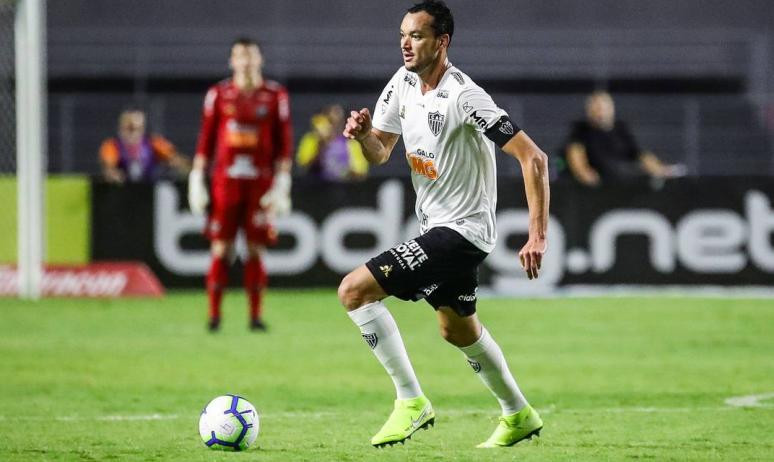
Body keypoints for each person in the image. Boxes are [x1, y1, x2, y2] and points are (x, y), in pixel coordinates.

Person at [339, 0, 550, 449]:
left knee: (355, 290)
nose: (405, 44)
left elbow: (534, 158)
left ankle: (410, 401)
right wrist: (362, 137)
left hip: (462, 232)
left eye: (416, 35)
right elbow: (381, 152)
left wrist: (537, 235)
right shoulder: (401, 84)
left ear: (442, 41)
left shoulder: (464, 96)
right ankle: (518, 413)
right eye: (403, 35)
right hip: (436, 228)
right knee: (456, 329)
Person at [187, 37, 293, 332]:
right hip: (226, 184)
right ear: (232, 61)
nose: (245, 62)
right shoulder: (219, 94)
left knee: (256, 248)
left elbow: (284, 143)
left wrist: (283, 180)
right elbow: (206, 139)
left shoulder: (275, 95)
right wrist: (197, 177)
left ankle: (255, 317)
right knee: (221, 247)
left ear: (259, 60)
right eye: (240, 57)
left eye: (250, 56)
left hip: (260, 184)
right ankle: (214, 316)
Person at [563, 90, 683, 186]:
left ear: (612, 109)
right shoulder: (581, 130)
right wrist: (584, 173)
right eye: (596, 107)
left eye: (603, 107)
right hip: (600, 184)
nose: (600, 112)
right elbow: (575, 154)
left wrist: (658, 169)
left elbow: (640, 154)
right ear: (589, 110)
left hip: (624, 180)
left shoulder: (621, 129)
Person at [98, 107, 190, 183]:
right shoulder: (112, 146)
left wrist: (184, 167)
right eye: (130, 128)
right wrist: (114, 175)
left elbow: (175, 160)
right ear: (121, 128)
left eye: (138, 128)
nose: (133, 133)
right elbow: (109, 169)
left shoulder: (154, 144)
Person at [296, 104, 369, 182]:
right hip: (317, 186)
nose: (335, 125)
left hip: (343, 188)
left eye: (338, 121)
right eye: (331, 121)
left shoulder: (352, 142)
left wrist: (345, 171)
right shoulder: (311, 139)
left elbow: (361, 173)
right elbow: (303, 168)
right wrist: (321, 146)